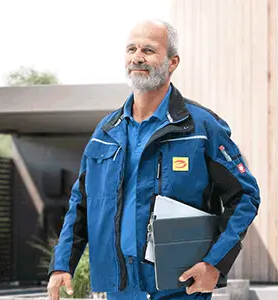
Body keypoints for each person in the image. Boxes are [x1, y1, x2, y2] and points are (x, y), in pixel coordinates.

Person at [45, 19, 261, 300]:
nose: (137, 57)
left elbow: (245, 196)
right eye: (131, 49)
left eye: (148, 50)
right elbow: (81, 204)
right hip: (119, 291)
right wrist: (62, 264)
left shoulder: (201, 128)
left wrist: (214, 264)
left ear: (172, 62)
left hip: (180, 289)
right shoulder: (106, 133)